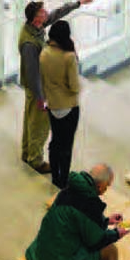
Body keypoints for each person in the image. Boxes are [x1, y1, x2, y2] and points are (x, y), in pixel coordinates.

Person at [18, 0, 92, 174]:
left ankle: (27, 152)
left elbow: (57, 14)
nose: (46, 13)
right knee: (39, 126)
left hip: (36, 87)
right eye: (43, 12)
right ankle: (35, 160)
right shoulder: (29, 43)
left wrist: (78, 3)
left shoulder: (36, 27)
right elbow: (32, 72)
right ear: (36, 18)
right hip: (37, 89)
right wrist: (40, 98)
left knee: (31, 120)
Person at [26, 164, 127, 260]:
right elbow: (96, 241)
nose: (107, 189)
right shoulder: (90, 205)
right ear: (100, 186)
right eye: (108, 185)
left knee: (83, 240)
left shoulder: (67, 191)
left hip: (39, 254)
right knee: (110, 251)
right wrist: (117, 233)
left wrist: (106, 221)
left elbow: (81, 221)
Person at [39, 20, 84, 186]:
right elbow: (74, 86)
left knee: (55, 141)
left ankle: (55, 178)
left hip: (52, 105)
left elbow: (43, 81)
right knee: (67, 145)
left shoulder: (44, 53)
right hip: (69, 106)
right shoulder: (69, 57)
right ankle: (63, 180)